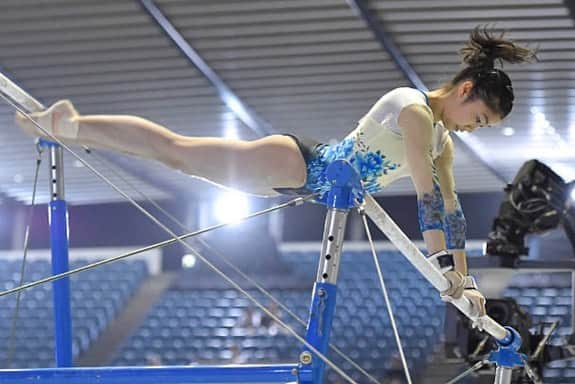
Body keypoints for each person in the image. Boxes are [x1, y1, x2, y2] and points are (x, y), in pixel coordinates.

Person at [16, 27, 537, 317]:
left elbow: (451, 207)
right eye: (482, 118)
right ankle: (73, 122)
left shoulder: (443, 137)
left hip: (305, 180)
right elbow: (425, 196)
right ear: (466, 91)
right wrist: (443, 267)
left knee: (181, 156)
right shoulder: (415, 111)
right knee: (177, 153)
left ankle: (72, 123)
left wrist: (464, 278)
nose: (476, 129)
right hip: (300, 163)